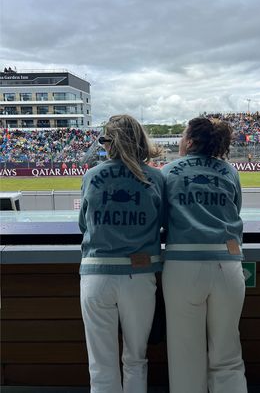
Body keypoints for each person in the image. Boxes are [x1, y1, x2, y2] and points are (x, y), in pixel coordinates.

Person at [79, 114, 164, 393]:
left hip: (96, 274)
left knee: (101, 364)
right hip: (139, 276)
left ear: (108, 142)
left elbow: (84, 224)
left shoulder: (91, 176)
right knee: (136, 359)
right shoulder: (156, 177)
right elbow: (162, 222)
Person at [161, 116, 247, 393]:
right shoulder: (230, 172)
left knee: (185, 356)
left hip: (182, 267)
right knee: (228, 354)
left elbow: (161, 218)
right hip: (229, 265)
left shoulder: (169, 171)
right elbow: (236, 209)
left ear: (190, 140)